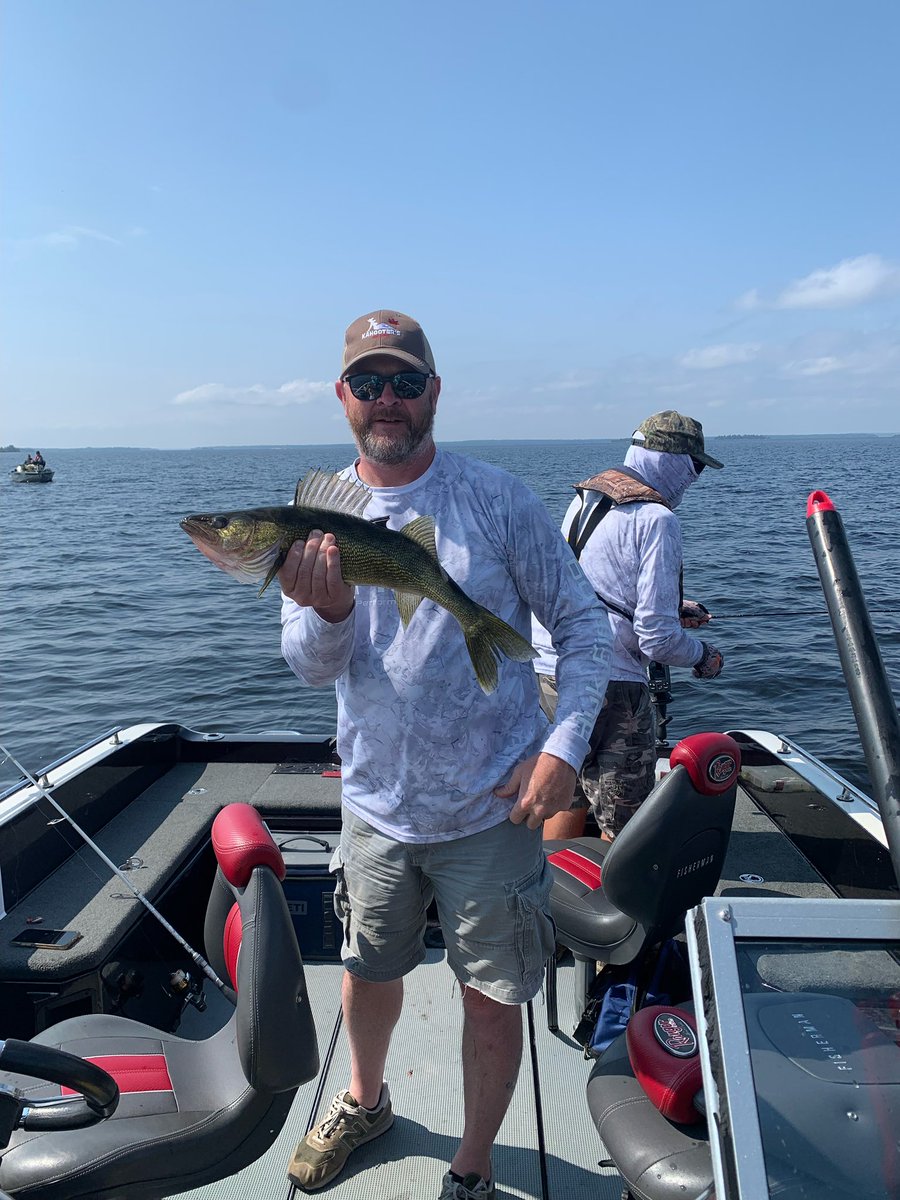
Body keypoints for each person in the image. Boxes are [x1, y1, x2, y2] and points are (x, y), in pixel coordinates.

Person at [279, 310, 610, 1199]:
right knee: (367, 969)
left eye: (405, 382)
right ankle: (364, 1099)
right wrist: (331, 612)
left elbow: (584, 628)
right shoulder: (317, 514)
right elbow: (308, 666)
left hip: (493, 807)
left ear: (434, 392)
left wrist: (565, 747)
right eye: (368, 382)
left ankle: (471, 1164)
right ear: (342, 395)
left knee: (492, 994)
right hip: (375, 804)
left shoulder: (498, 500)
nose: (386, 399)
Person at [532, 409, 725, 843]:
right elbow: (657, 639)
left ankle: (553, 882)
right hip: (611, 680)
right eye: (695, 467)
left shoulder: (589, 497)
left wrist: (675, 607)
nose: (694, 479)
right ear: (673, 460)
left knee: (568, 794)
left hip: (550, 669)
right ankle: (613, 888)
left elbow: (593, 582)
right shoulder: (658, 520)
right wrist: (704, 656)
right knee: (624, 823)